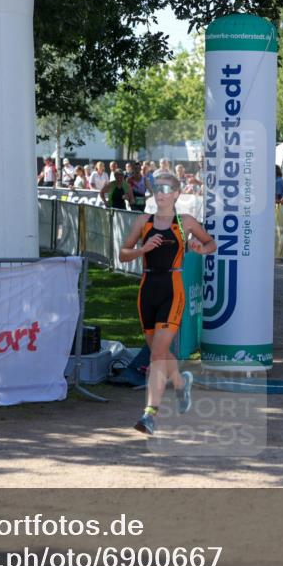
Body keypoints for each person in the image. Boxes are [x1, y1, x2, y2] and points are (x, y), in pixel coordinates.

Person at [118, 171, 216, 435]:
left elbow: (211, 244)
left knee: (157, 354)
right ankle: (182, 384)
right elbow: (123, 254)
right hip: (147, 289)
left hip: (173, 290)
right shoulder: (143, 221)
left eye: (166, 190)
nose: (160, 194)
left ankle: (149, 415)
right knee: (158, 352)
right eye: (157, 189)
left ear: (176, 194)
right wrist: (143, 249)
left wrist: (198, 247)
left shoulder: (185, 222)